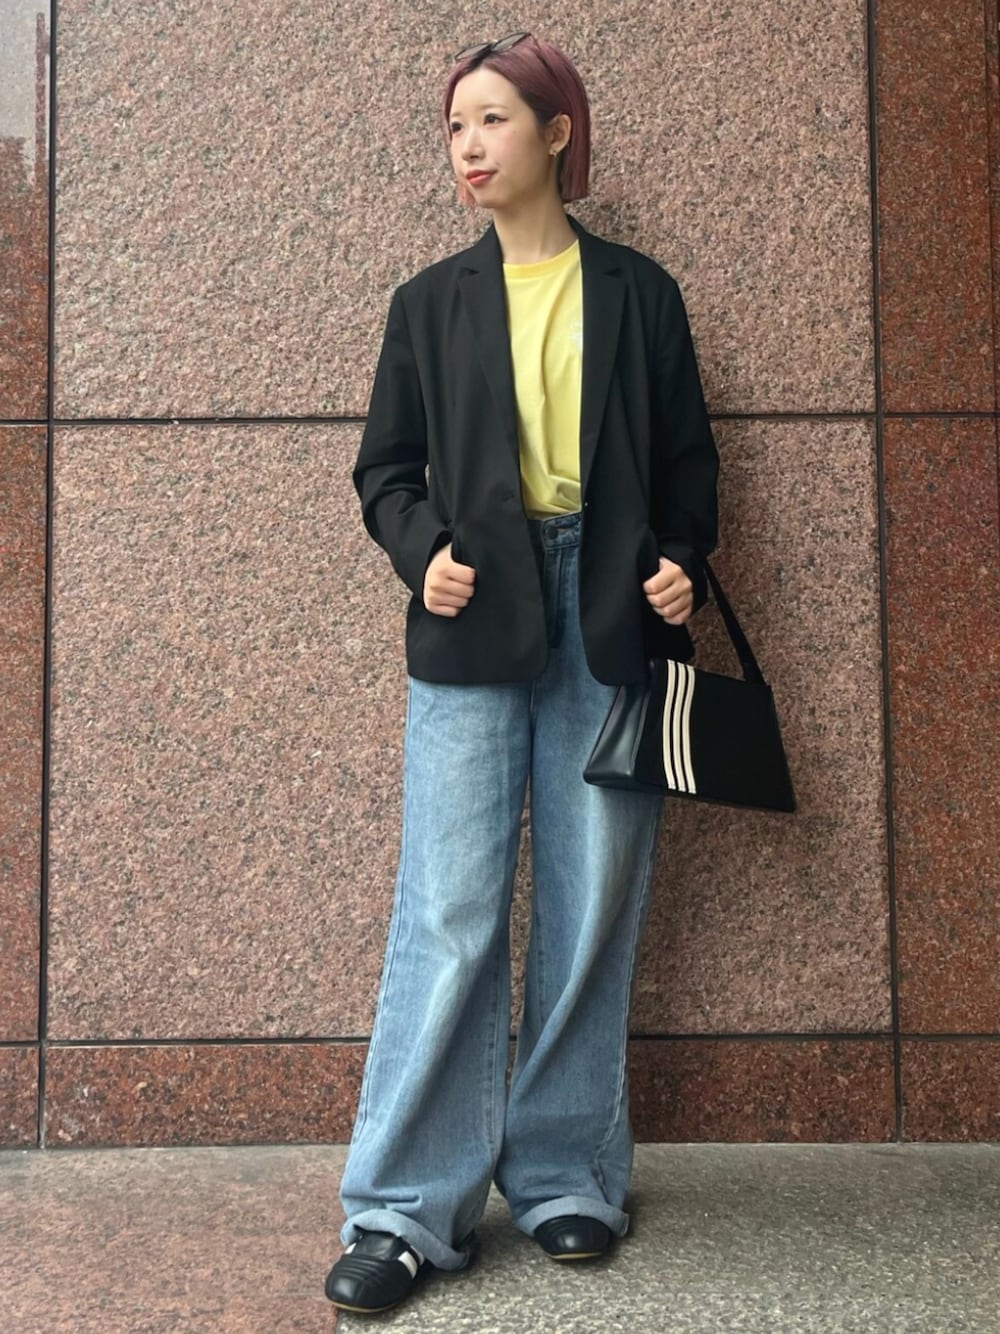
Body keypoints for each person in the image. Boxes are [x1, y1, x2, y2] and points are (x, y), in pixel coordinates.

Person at [324, 31, 719, 1316]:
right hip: (472, 616)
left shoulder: (640, 294)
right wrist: (421, 552)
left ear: (557, 131)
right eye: (454, 127)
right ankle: (403, 1206)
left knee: (592, 898)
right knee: (449, 906)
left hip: (610, 613)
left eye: (491, 119)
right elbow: (386, 470)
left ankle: (563, 1174)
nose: (469, 146)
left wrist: (680, 564)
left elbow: (688, 469)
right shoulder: (427, 302)